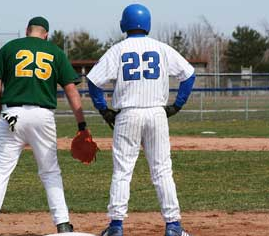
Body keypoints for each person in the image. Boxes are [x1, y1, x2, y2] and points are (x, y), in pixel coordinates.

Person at [0, 16, 91, 236]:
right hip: (43, 115)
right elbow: (71, 90)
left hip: (11, 114)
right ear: (46, 34)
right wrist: (81, 124)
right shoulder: (55, 52)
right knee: (50, 171)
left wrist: (0, 115)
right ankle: (63, 224)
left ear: (27, 31)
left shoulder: (10, 48)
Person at [85, 4, 195, 236]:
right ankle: (173, 226)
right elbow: (189, 74)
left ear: (124, 24)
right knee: (162, 170)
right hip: (156, 113)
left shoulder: (118, 49)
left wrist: (103, 109)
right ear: (148, 24)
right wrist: (177, 105)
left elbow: (93, 81)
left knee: (122, 171)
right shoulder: (161, 48)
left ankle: (116, 226)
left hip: (128, 114)